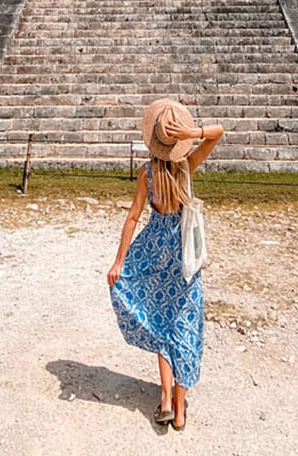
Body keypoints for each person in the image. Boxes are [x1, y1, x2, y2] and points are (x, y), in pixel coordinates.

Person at [107, 98, 224, 431]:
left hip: (155, 251)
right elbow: (219, 133)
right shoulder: (187, 167)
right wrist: (194, 132)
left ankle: (165, 400)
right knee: (183, 324)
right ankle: (180, 408)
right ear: (180, 142)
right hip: (184, 256)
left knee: (160, 321)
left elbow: (132, 218)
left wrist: (119, 262)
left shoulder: (147, 173)